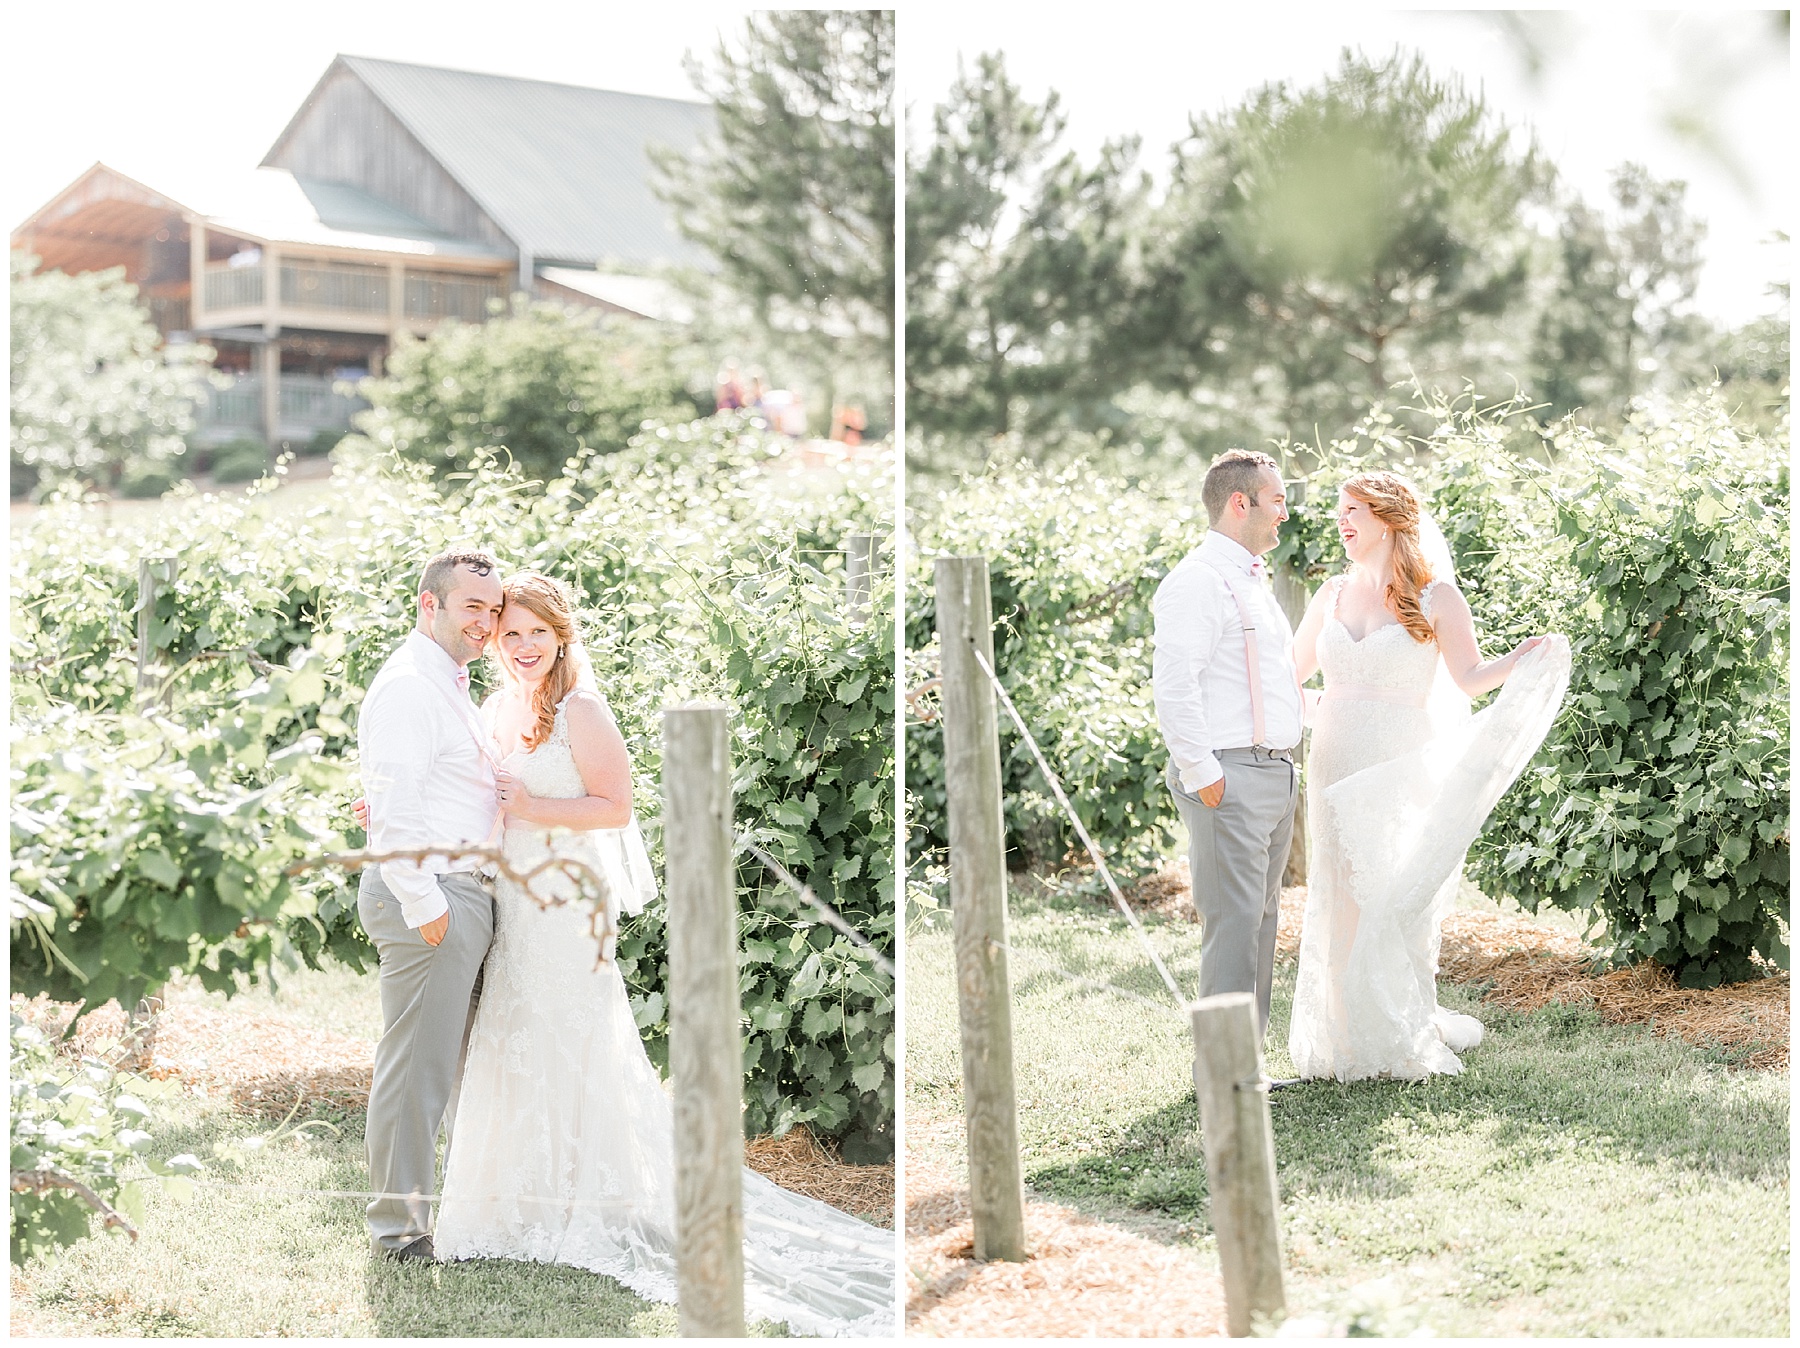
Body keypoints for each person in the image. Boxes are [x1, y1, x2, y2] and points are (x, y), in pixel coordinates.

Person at [430, 573, 894, 1337]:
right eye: (510, 633)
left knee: (574, 1039)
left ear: (561, 636)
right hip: (512, 899)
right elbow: (474, 798)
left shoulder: (581, 708)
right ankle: (515, 1201)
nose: (522, 647)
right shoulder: (493, 708)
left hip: (567, 907)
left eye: (536, 634)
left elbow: (614, 804)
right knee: (515, 1039)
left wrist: (530, 805)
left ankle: (598, 1199)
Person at [1286, 471, 1570, 1082]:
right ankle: (1342, 1038)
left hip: (1400, 760)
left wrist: (1522, 658)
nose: (1342, 522)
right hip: (1334, 759)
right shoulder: (1330, 595)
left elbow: (1469, 679)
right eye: (1340, 511)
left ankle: (1397, 1026)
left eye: (1353, 510)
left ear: (1387, 518)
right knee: (1339, 896)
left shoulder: (1436, 598)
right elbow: (1290, 673)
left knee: (1390, 889)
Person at [355, 548, 506, 1261]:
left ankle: (422, 1213)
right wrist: (426, 906)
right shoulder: (411, 685)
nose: (487, 621)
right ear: (429, 604)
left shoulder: (448, 684)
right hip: (431, 896)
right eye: (471, 606)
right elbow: (396, 807)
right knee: (414, 1071)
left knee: (432, 1066)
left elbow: (436, 791)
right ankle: (399, 1230)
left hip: (454, 890)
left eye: (493, 607)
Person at [1151, 449, 1303, 1042]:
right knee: (1233, 926)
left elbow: (1263, 684)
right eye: (1278, 501)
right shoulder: (1196, 581)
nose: (1285, 514)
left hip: (1273, 775)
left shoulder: (1251, 582)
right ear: (1241, 503)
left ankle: (1249, 1062)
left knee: (1261, 924)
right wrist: (1201, 772)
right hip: (1229, 777)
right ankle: (1225, 1073)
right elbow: (1174, 683)